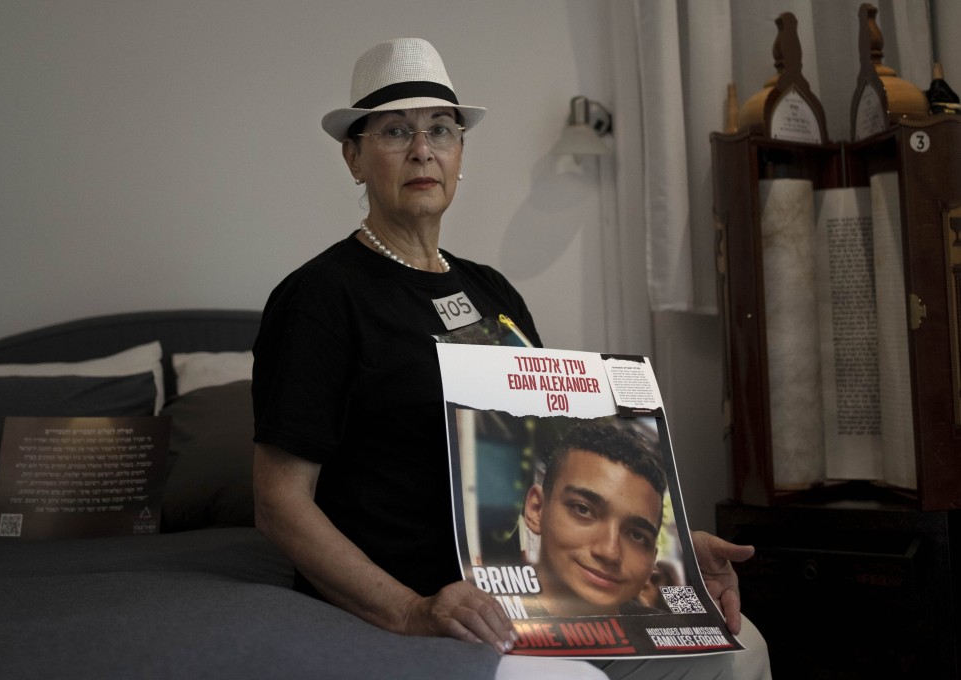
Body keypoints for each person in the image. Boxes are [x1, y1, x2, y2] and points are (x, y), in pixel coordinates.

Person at [252, 37, 770, 679]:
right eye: (395, 132)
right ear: (354, 157)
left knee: (741, 649)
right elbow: (279, 504)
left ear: (460, 153)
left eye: (440, 129)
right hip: (421, 610)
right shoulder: (319, 298)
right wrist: (411, 609)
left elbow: (557, 449)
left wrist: (666, 556)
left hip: (533, 596)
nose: (422, 149)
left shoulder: (492, 291)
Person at [522, 423, 667, 617]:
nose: (609, 552)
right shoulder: (482, 618)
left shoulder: (663, 632)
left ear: (653, 558)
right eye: (583, 510)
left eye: (636, 535)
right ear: (536, 509)